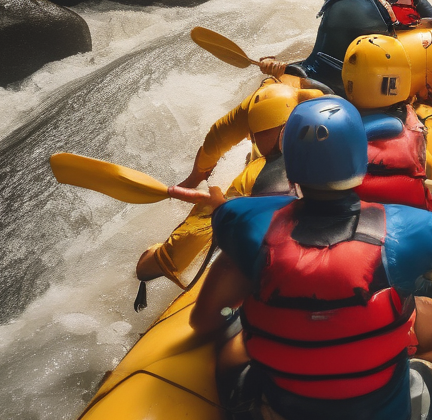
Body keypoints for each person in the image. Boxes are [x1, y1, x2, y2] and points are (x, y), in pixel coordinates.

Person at [190, 97, 432, 420]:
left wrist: (222, 207)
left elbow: (225, 231)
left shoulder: (243, 221)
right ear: (359, 156)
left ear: (289, 164)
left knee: (236, 308)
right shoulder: (407, 226)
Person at [135, 81, 321, 287]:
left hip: (269, 227)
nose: (253, 136)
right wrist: (195, 177)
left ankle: (160, 259)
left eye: (259, 133)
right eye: (254, 132)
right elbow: (216, 139)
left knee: (208, 212)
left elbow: (156, 266)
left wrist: (217, 205)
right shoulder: (261, 111)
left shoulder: (255, 175)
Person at [258, 0, 395, 93]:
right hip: (373, 84)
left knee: (269, 85)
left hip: (343, 90)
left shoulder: (343, 5)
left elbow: (317, 67)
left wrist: (282, 68)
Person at [342, 33, 432, 212]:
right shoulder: (412, 125)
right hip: (415, 211)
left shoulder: (338, 131)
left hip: (365, 220)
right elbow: (429, 169)